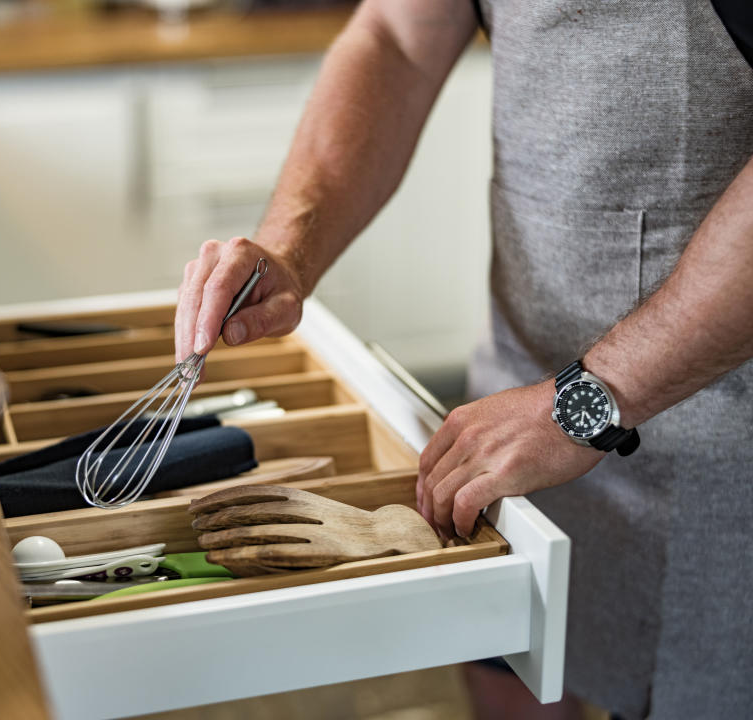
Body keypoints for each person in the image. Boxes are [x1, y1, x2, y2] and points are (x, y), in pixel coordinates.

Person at [172, 2, 753, 718]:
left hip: (722, 458)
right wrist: (291, 247)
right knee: (507, 662)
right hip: (517, 400)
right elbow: (397, 37)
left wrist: (593, 395)